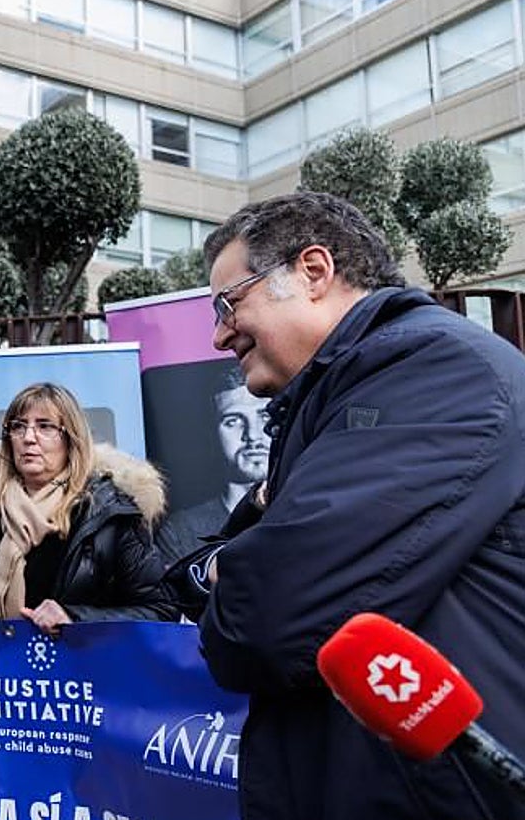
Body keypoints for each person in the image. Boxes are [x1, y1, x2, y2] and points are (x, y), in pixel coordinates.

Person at [196, 191, 525, 820]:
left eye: (227, 304)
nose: (217, 335)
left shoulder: (437, 368)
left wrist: (228, 580)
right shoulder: (341, 394)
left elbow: (261, 617)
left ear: (313, 272)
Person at [0, 382, 177, 635]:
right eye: (18, 426)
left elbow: (161, 610)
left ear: (71, 438)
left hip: (78, 671)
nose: (28, 438)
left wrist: (75, 618)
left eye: (45, 427)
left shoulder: (109, 511)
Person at [153, 364, 269, 564]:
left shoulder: (309, 510)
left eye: (264, 417)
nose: (252, 435)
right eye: (233, 421)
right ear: (212, 435)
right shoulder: (181, 532)